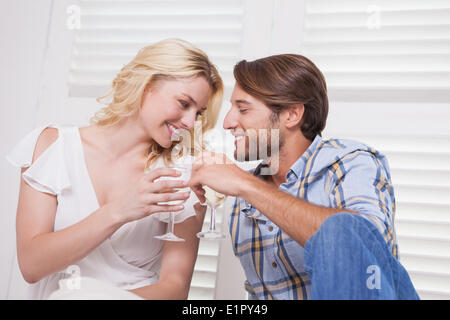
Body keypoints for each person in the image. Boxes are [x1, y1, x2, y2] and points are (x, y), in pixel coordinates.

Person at [6, 38, 223, 300]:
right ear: (147, 85)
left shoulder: (180, 178)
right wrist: (119, 211)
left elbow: (174, 290)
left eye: (198, 113)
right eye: (184, 103)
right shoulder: (52, 147)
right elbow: (31, 265)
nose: (190, 122)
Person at [188, 54, 420, 300]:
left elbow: (363, 244)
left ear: (292, 115)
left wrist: (246, 185)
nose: (227, 122)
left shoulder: (350, 163)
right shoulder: (242, 202)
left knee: (341, 228)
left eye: (243, 109)